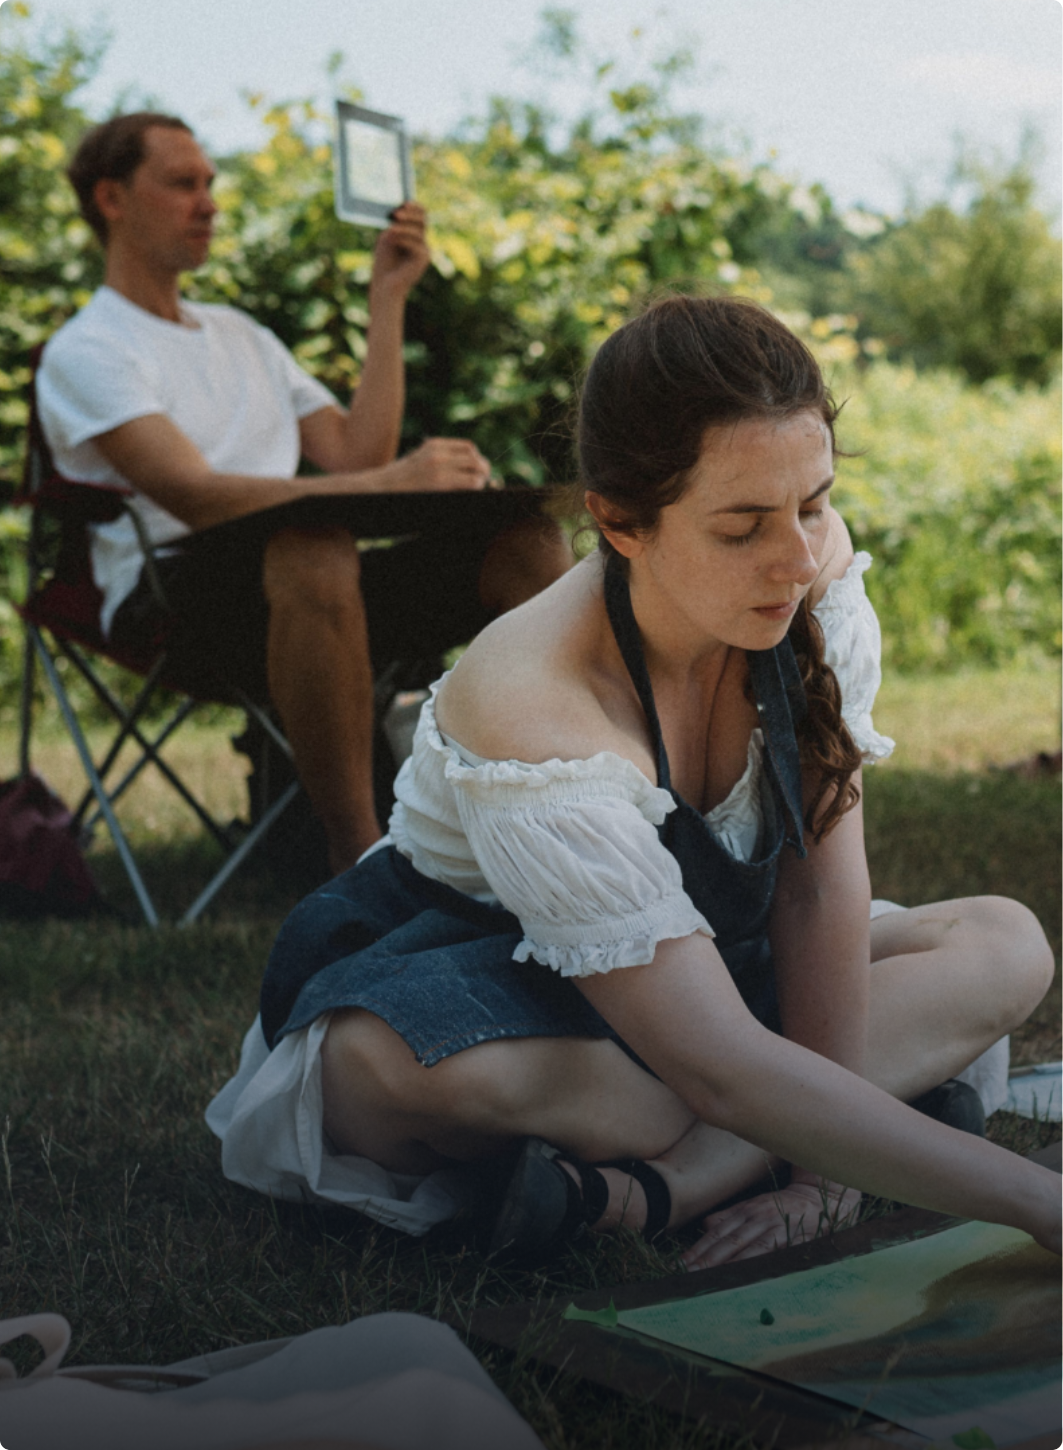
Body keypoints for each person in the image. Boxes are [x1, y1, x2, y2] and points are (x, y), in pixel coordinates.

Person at [207, 293, 1059, 1267]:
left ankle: (675, 1182)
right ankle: (841, 1111)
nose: (795, 558)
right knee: (396, 1068)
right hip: (485, 977)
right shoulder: (531, 702)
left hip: (701, 977)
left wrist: (824, 1184)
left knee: (1005, 944)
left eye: (812, 502)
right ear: (618, 522)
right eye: (741, 526)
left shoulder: (807, 581)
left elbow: (818, 886)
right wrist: (1040, 1201)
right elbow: (721, 1067)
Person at [36, 112, 571, 874]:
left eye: (211, 184)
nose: (209, 204)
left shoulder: (241, 335)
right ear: (112, 199)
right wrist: (389, 483)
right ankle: (362, 861)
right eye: (183, 184)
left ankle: (571, 811)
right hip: (175, 600)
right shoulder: (88, 349)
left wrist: (387, 298)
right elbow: (194, 496)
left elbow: (356, 450)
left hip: (318, 595)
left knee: (528, 541)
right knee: (314, 549)